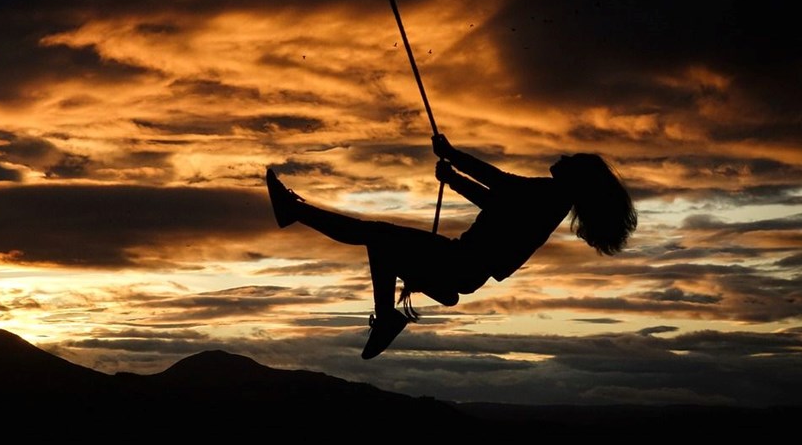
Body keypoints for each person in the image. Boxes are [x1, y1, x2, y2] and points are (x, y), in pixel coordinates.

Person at [266, 133, 637, 360]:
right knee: (380, 241)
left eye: (571, 162)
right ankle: (424, 292)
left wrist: (453, 159)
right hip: (462, 264)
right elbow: (497, 197)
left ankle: (296, 212)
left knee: (377, 236)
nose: (564, 159)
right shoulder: (550, 200)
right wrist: (453, 173)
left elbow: (499, 185)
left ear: (577, 179)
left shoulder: (549, 196)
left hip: (459, 262)